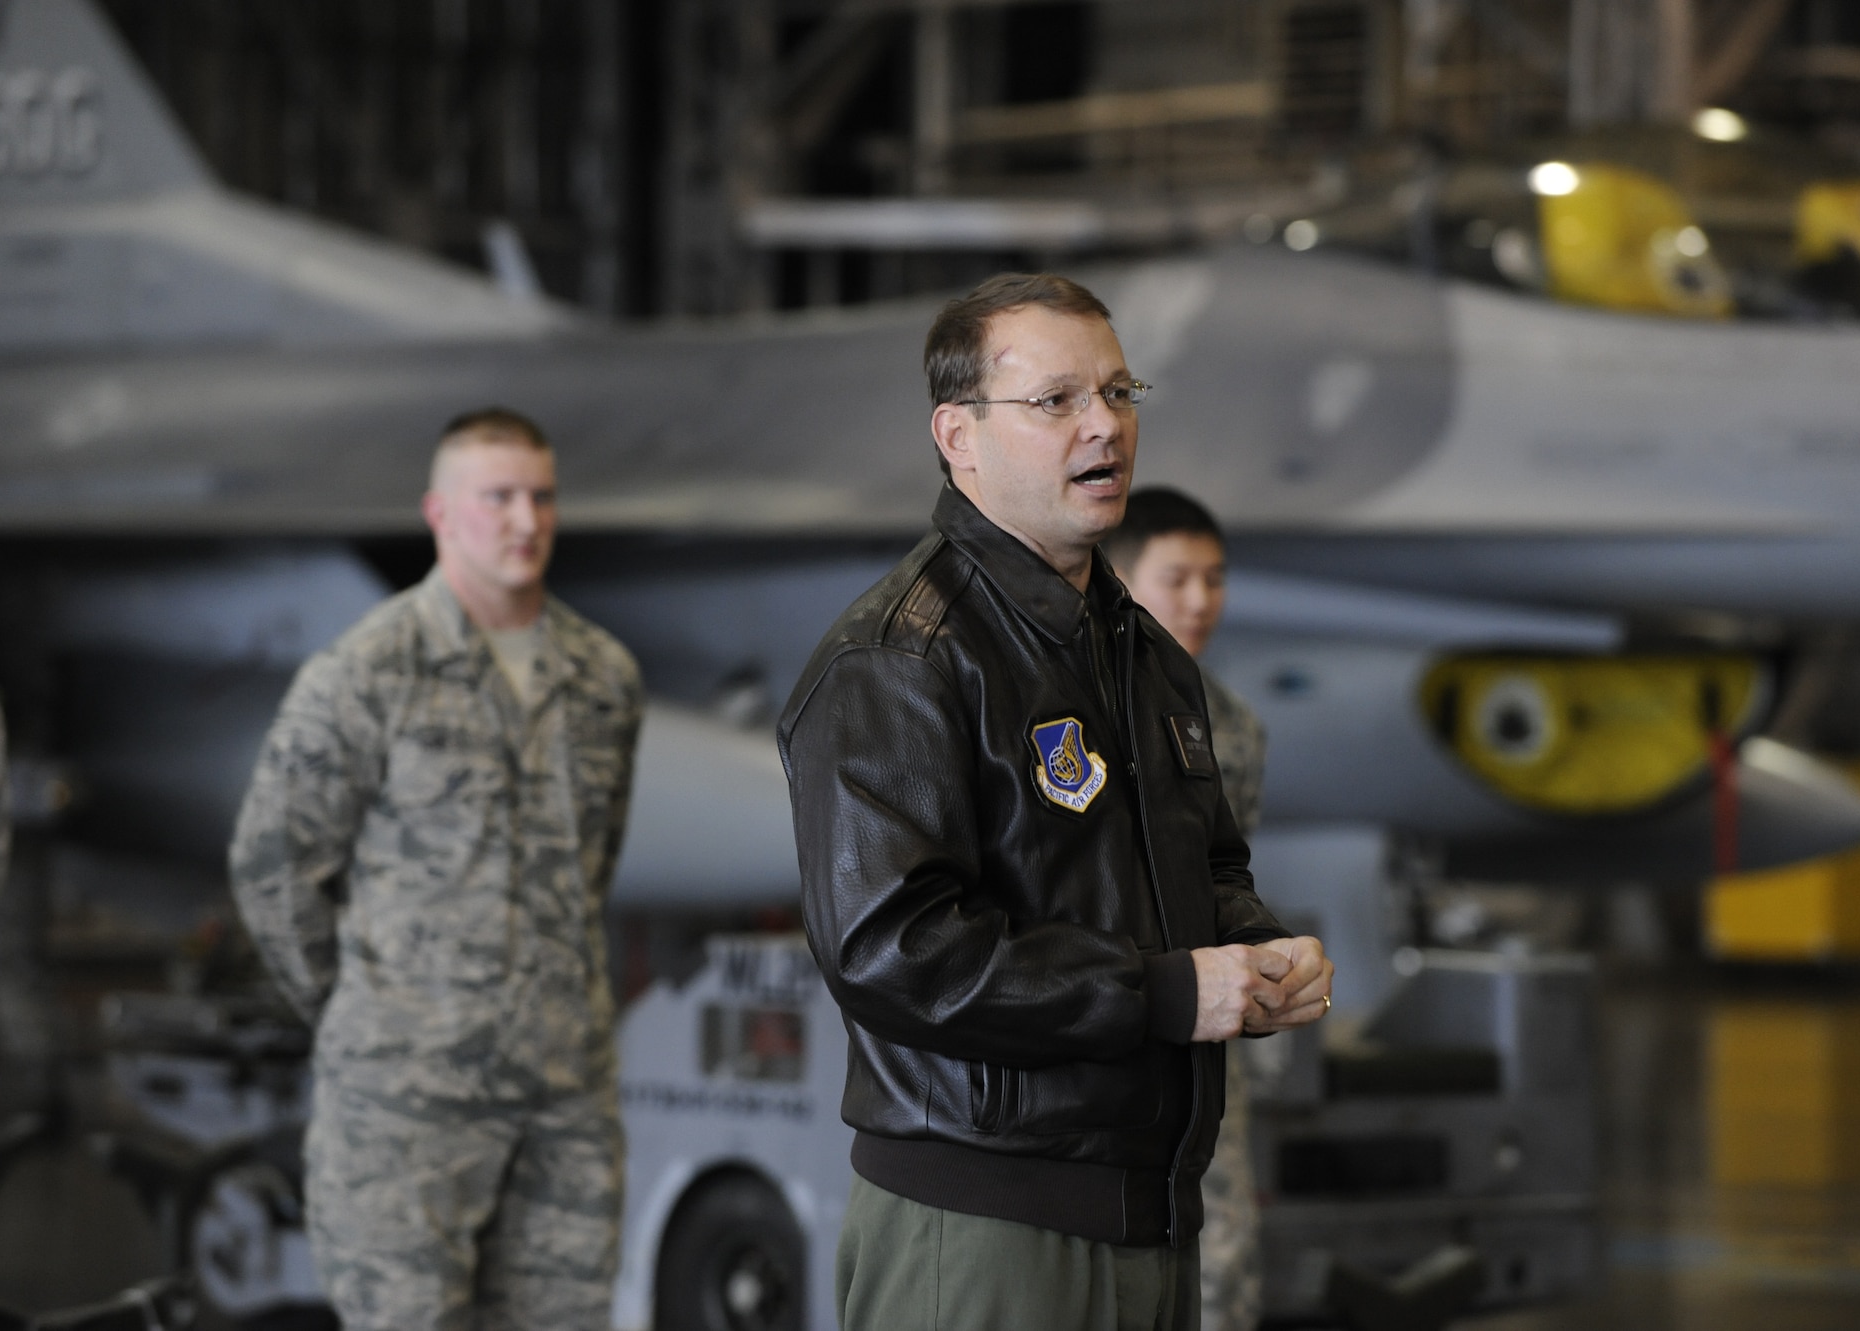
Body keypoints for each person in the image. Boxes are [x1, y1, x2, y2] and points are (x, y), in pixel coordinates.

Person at [779, 273, 1332, 1331]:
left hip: (1146, 1216)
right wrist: (1168, 993)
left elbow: (1204, 867)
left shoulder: (1139, 653)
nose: (1104, 426)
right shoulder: (900, 658)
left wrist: (1254, 951)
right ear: (959, 435)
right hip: (986, 1229)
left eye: (1120, 393)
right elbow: (895, 950)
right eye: (1057, 400)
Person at [230, 407, 643, 1331]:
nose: (525, 520)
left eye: (541, 497)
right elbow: (272, 862)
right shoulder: (366, 673)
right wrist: (363, 1009)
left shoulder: (604, 675)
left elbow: (591, 865)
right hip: (403, 1113)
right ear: (440, 512)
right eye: (497, 497)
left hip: (562, 1100)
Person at [1106, 487, 1269, 1331]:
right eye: (1178, 579)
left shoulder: (1228, 725)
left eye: (1216, 578)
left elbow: (1223, 876)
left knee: (1224, 1251)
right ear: (1122, 580)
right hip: (1102, 1014)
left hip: (1201, 1019)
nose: (1202, 600)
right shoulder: (1077, 708)